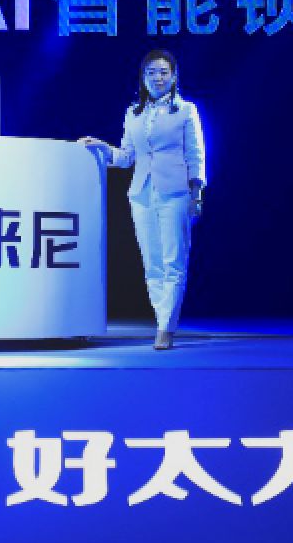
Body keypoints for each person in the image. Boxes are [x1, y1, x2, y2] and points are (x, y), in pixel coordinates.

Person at [79, 49, 206, 350]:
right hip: (142, 193)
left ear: (173, 76)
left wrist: (197, 193)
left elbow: (195, 154)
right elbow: (126, 157)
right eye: (151, 72)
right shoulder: (134, 113)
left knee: (173, 260)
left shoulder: (185, 110)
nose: (157, 78)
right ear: (143, 78)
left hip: (175, 191)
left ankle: (166, 327)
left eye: (163, 72)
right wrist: (102, 147)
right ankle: (162, 319)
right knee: (152, 263)